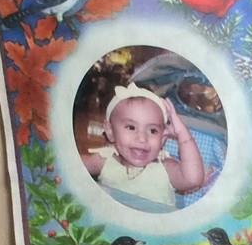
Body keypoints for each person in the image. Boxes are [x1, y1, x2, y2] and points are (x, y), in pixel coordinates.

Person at [81, 84, 206, 213]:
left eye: (153, 130)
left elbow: (193, 179)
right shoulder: (103, 161)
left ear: (162, 138)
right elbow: (67, 163)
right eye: (131, 127)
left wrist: (181, 134)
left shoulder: (165, 168)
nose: (142, 138)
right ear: (110, 131)